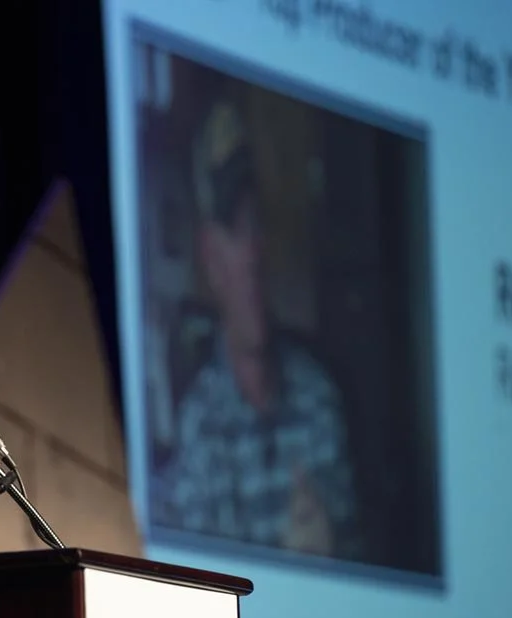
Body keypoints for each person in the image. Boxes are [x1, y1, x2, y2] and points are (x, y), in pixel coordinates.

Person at [150, 100, 357, 559]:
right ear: (210, 257)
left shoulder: (319, 398)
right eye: (235, 229)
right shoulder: (198, 426)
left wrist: (333, 549)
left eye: (256, 224)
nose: (252, 253)